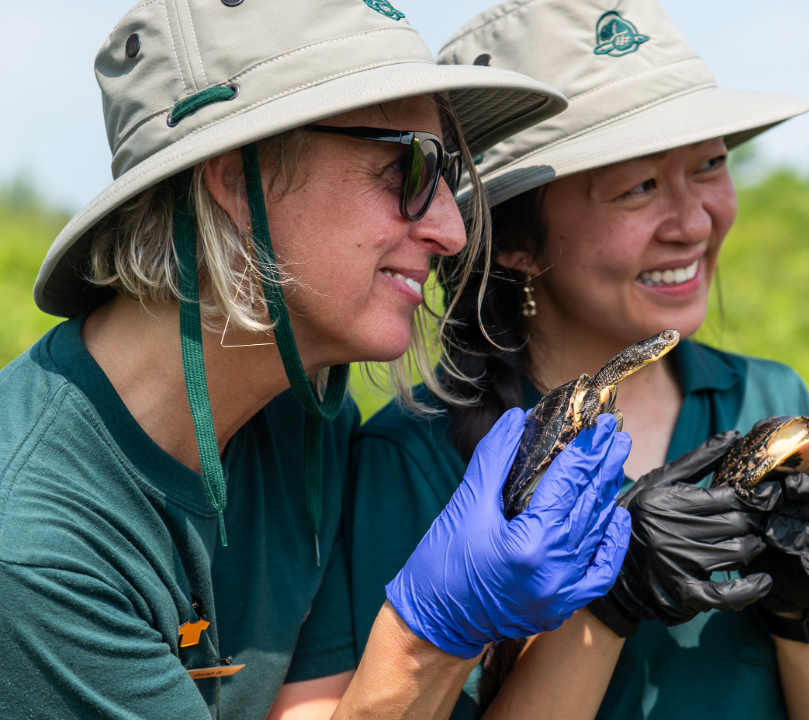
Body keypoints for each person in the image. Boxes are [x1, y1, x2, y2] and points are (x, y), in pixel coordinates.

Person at [0, 1, 634, 718]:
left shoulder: (298, 414)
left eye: (449, 173)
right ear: (236, 181)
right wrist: (431, 634)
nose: (452, 230)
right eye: (407, 168)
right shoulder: (35, 552)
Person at [347, 1, 809, 719]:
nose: (694, 221)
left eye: (710, 165)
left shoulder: (761, 400)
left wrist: (805, 615)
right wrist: (608, 603)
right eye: (638, 188)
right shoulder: (415, 458)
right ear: (516, 244)